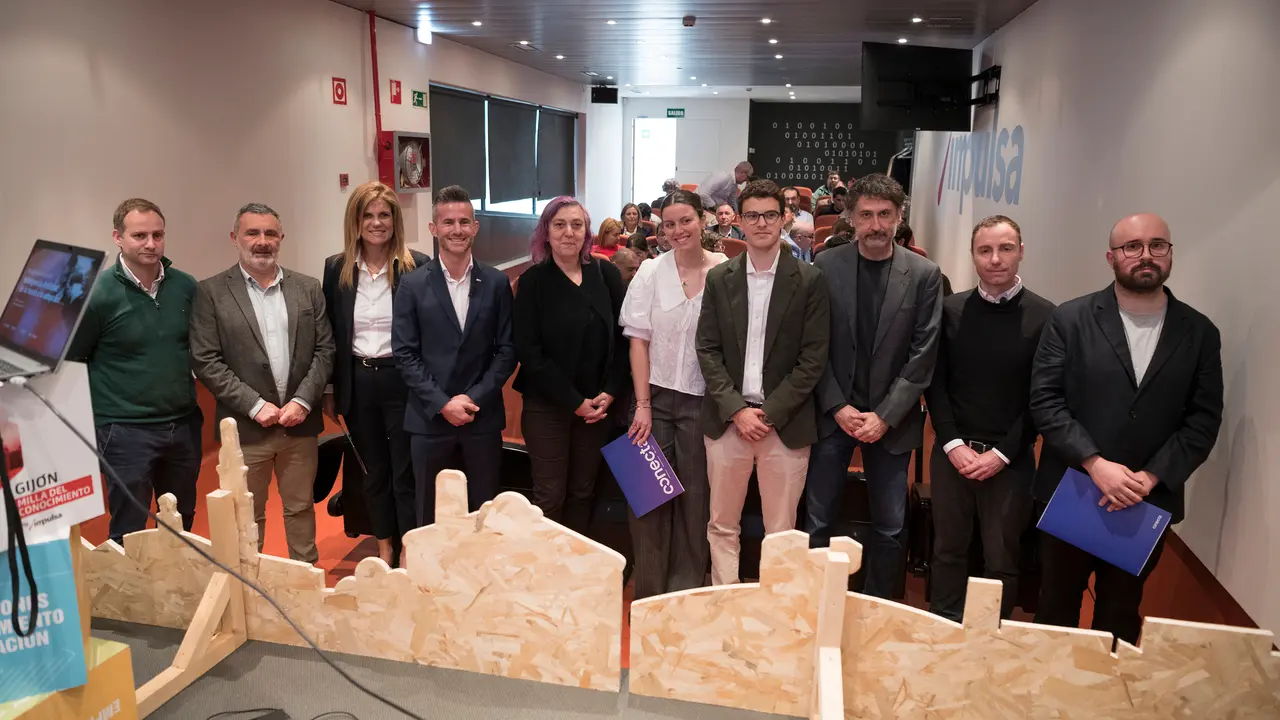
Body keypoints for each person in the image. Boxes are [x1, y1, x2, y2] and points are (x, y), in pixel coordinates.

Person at [1030, 212, 1223, 646]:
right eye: (1132, 246)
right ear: (1111, 257)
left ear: (1170, 254)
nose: (1146, 255)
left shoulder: (1199, 333)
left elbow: (1203, 420)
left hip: (1145, 502)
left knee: (1119, 615)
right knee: (1055, 609)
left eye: (1158, 245)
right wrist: (1095, 464)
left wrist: (1149, 477)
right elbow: (1046, 401)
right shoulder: (1070, 319)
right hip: (1073, 490)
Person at [805, 174, 943, 599]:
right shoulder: (826, 265)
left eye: (885, 214)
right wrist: (836, 406)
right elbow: (814, 345)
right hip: (834, 415)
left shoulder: (924, 274)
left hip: (891, 420)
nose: (876, 225)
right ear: (851, 217)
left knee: (890, 526)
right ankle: (818, 602)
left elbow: (923, 356)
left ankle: (881, 606)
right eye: (866, 215)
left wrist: (884, 416)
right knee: (818, 520)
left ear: (899, 217)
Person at [696, 179, 830, 586]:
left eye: (770, 215)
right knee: (722, 525)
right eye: (752, 215)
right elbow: (707, 350)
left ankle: (776, 611)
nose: (761, 223)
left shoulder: (809, 280)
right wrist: (737, 410)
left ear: (784, 217)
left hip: (784, 425)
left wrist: (767, 414)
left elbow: (812, 360)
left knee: (782, 534)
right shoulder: (720, 278)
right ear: (739, 220)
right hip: (728, 422)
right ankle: (726, 602)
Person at [924, 215, 1055, 621]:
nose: (995, 259)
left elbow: (1042, 398)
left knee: (1002, 559)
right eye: (985, 250)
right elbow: (936, 383)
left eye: (1005, 248)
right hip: (952, 454)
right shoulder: (950, 310)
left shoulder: (1047, 317)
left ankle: (991, 637)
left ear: (1021, 252)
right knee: (947, 550)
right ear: (973, 256)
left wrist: (1001, 454)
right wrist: (951, 443)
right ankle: (943, 628)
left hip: (1010, 461)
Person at [190, 203, 335, 564]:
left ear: (281, 237)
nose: (262, 241)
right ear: (235, 238)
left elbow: (325, 349)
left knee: (301, 508)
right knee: (247, 516)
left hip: (299, 425)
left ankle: (306, 579)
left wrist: (303, 401)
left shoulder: (308, 288)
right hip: (245, 428)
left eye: (270, 233)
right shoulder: (211, 293)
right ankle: (251, 587)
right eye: (252, 233)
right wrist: (254, 405)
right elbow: (206, 360)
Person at [67, 198, 202, 544]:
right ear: (118, 237)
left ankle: (174, 579)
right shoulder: (96, 294)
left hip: (183, 425)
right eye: (139, 235)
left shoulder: (185, 287)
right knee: (129, 529)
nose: (151, 244)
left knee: (182, 521)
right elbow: (74, 359)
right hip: (124, 431)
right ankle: (129, 584)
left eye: (158, 235)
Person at [620, 190, 727, 599]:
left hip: (703, 400)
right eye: (669, 224)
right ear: (660, 230)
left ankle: (683, 598)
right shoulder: (650, 271)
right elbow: (638, 341)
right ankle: (649, 598)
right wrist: (642, 405)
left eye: (686, 221)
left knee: (695, 502)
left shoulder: (724, 271)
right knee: (646, 500)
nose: (678, 230)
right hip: (652, 399)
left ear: (702, 220)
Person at [392, 185, 516, 529]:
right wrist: (443, 403)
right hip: (429, 420)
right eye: (448, 222)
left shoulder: (496, 283)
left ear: (475, 227)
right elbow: (404, 353)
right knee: (430, 516)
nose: (457, 230)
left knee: (484, 514)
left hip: (482, 419)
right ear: (434, 228)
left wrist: (473, 398)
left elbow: (507, 350)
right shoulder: (412, 285)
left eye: (464, 222)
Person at [321, 181, 426, 566]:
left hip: (403, 380)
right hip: (358, 381)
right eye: (368, 215)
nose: (377, 223)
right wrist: (329, 388)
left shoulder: (416, 265)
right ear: (355, 220)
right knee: (373, 472)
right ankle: (384, 546)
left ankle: (409, 546)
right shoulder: (337, 268)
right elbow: (330, 332)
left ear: (395, 220)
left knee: (405, 472)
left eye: (384, 215)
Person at [513, 197, 630, 535]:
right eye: (559, 225)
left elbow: (625, 340)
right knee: (550, 497)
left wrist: (610, 391)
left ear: (587, 232)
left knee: (583, 492)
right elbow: (529, 353)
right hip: (548, 406)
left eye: (577, 225)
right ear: (546, 232)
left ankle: (577, 560)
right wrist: (574, 402)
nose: (569, 232)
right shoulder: (533, 281)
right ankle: (547, 564)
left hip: (598, 408)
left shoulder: (606, 275)